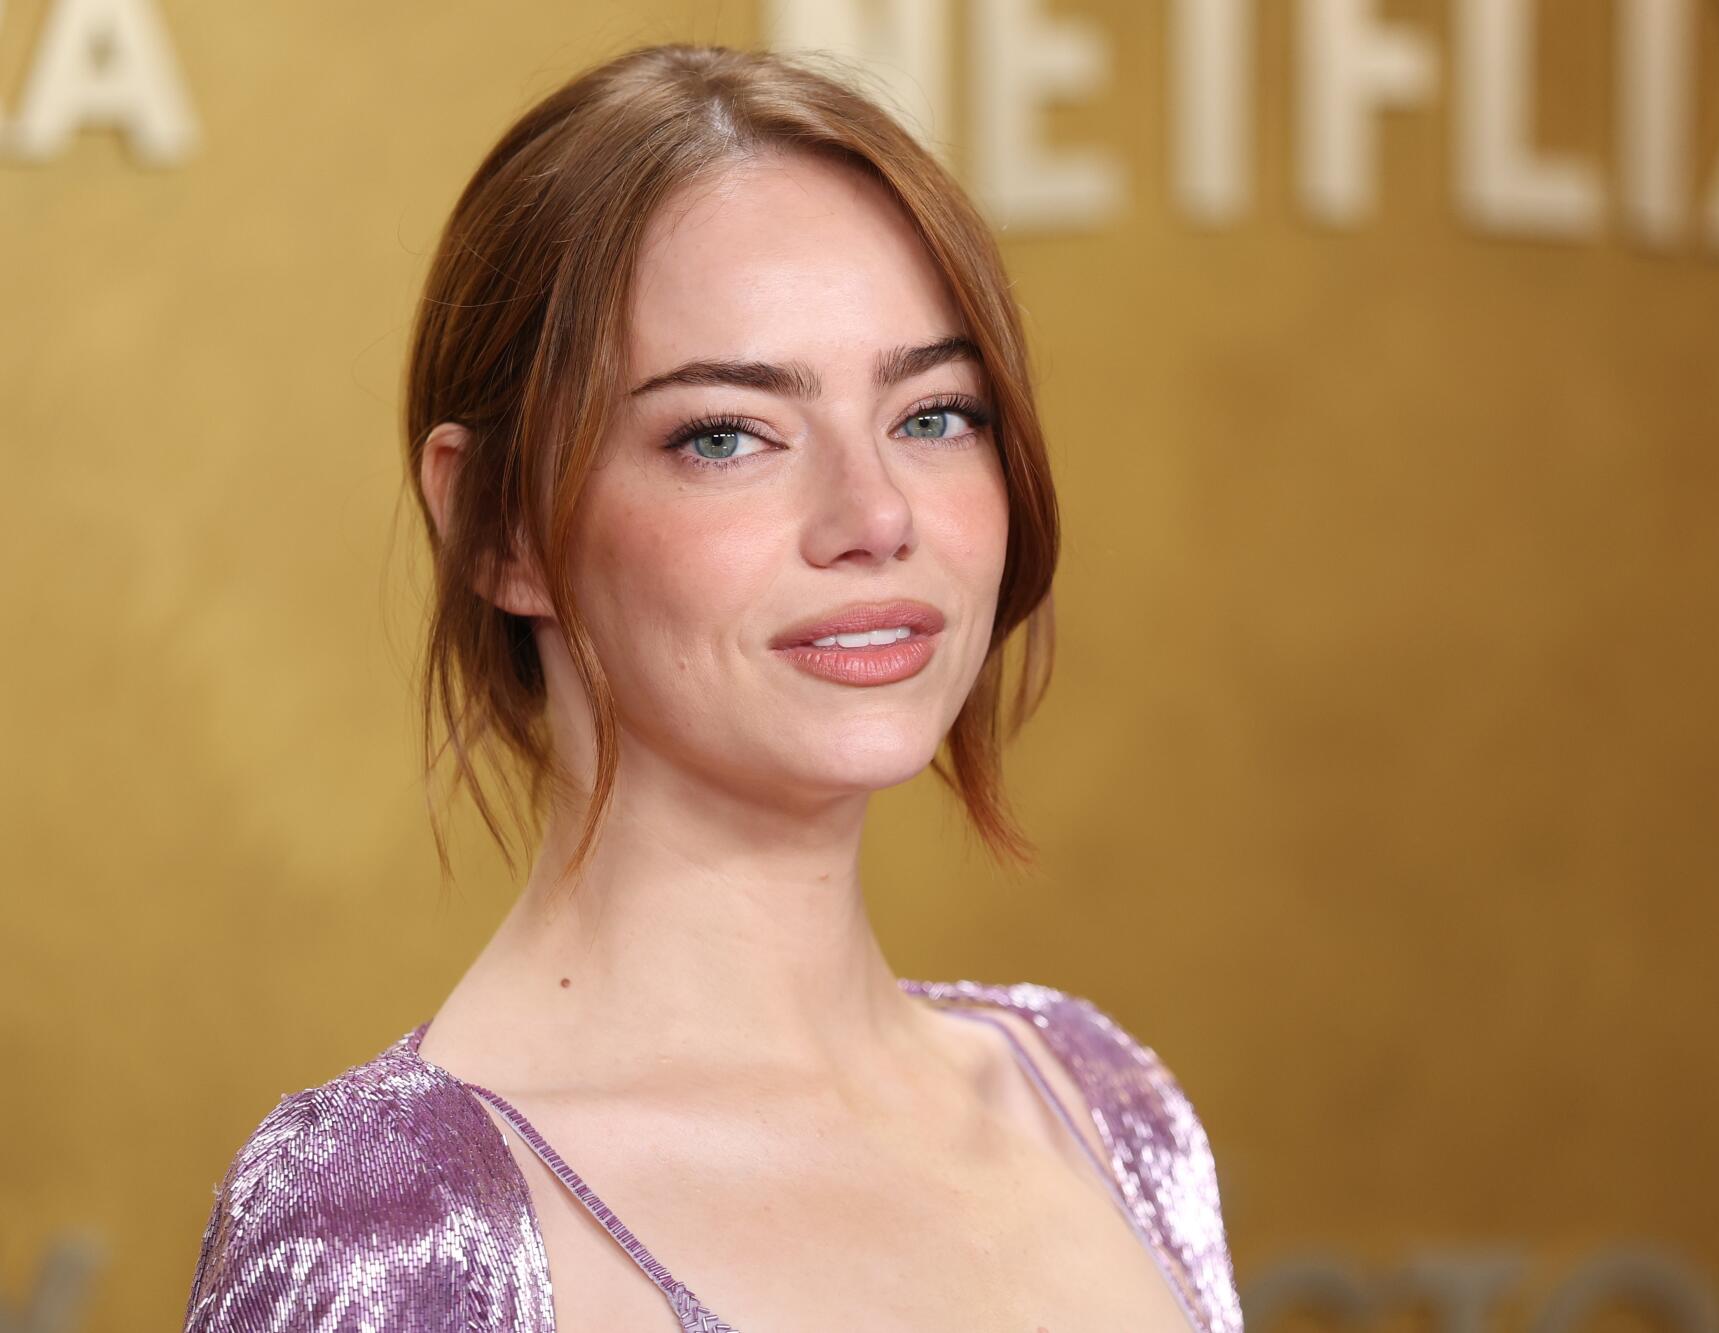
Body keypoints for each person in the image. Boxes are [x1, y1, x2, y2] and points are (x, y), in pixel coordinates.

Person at [182, 42, 1242, 1333]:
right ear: (499, 524)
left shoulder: (1098, 1102)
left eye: (934, 413)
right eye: (726, 434)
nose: (875, 516)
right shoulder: (389, 1229)